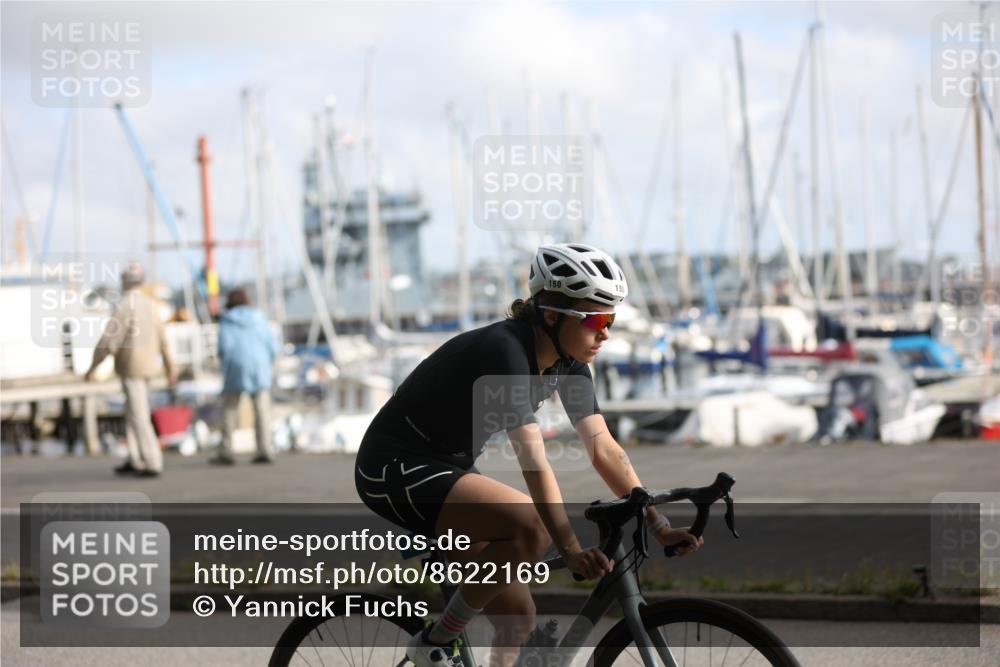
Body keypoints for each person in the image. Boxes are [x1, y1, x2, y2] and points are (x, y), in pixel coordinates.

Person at [355, 244, 704, 667]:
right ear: (552, 314)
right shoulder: (504, 352)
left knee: (519, 617)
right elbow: (533, 460)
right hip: (393, 466)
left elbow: (605, 449)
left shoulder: (569, 363)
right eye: (595, 319)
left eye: (611, 319)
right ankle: (436, 639)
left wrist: (658, 523)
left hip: (449, 465)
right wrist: (571, 547)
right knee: (530, 528)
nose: (606, 332)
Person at [84, 261, 175, 477]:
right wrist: (171, 369)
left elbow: (108, 342)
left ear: (125, 282)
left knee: (138, 416)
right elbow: (164, 341)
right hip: (149, 368)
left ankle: (152, 461)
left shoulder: (124, 306)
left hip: (131, 368)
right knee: (135, 414)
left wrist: (93, 367)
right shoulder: (152, 306)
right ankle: (135, 457)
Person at [213, 288, 277, 464]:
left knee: (230, 409)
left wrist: (223, 364)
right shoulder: (259, 317)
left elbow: (224, 347)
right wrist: (269, 361)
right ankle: (264, 449)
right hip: (259, 364)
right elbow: (272, 345)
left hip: (236, 365)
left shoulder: (227, 320)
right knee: (262, 410)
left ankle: (226, 451)